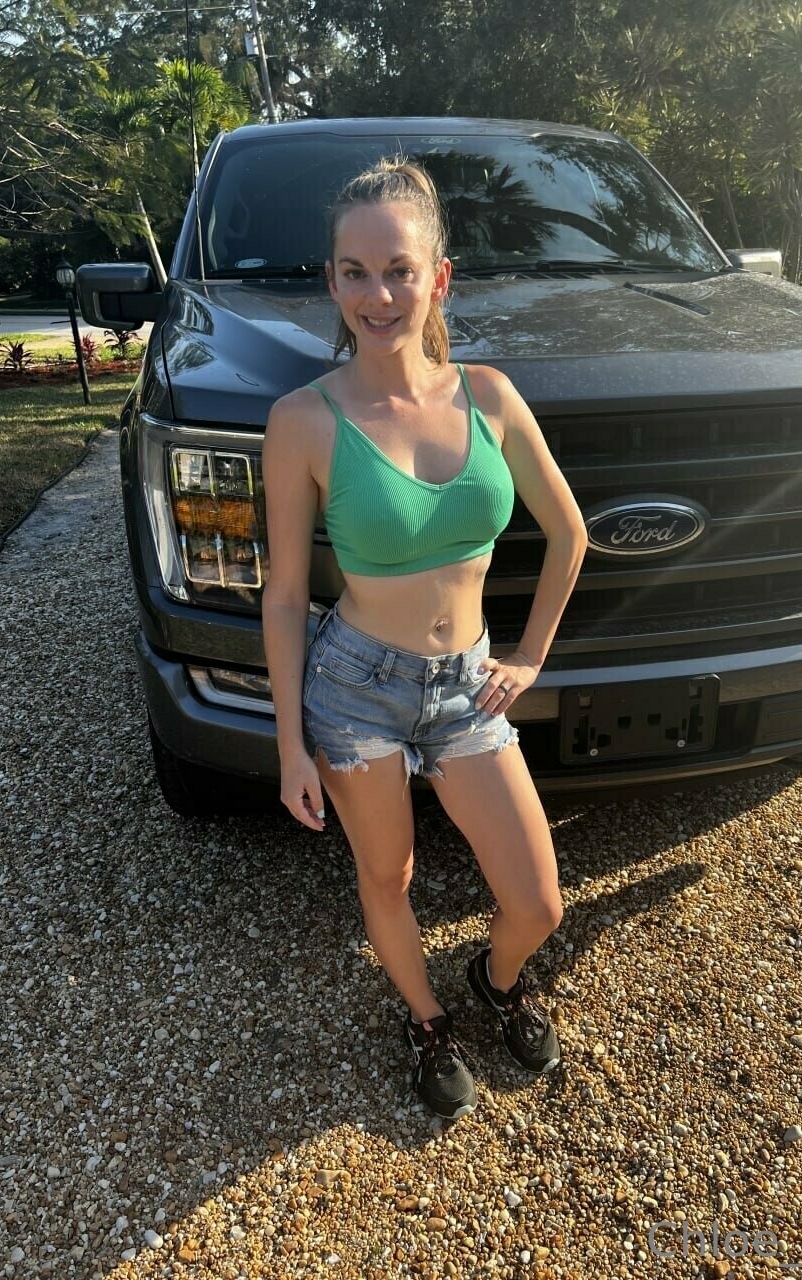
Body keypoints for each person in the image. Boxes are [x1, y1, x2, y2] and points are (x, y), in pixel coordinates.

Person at [261, 157, 589, 1121]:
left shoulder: (490, 397)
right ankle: (428, 1019)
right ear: (333, 283)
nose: (379, 295)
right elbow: (286, 594)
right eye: (355, 273)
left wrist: (528, 656)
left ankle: (495, 978)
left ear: (438, 277)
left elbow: (570, 534)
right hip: (355, 687)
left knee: (538, 902)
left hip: (468, 686)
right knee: (389, 873)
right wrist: (290, 746)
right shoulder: (302, 421)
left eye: (399, 270)